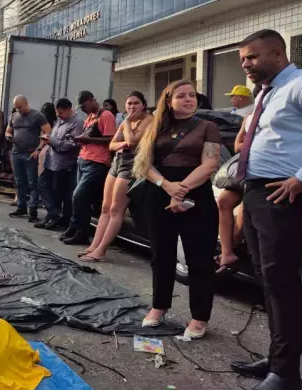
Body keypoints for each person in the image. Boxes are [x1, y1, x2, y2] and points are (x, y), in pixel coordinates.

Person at [229, 29, 302, 390]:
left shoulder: (298, 85)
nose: (245, 64)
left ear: (277, 52)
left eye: (252, 57)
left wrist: (299, 179)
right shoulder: (266, 93)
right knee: (266, 279)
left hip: (283, 195)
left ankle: (287, 375)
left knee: (282, 283)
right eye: (243, 59)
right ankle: (278, 358)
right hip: (256, 192)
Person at [133, 80, 220, 340]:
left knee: (200, 258)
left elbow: (210, 163)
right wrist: (166, 186)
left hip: (197, 193)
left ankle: (199, 317)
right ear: (168, 100)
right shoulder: (156, 126)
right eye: (181, 96)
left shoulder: (208, 127)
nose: (188, 99)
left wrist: (180, 189)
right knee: (162, 253)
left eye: (192, 95)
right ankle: (159, 306)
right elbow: (144, 164)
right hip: (159, 191)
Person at [78, 91, 152, 262]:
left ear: (143, 105)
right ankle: (93, 246)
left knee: (116, 209)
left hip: (132, 166)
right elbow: (112, 145)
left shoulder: (148, 121)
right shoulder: (127, 122)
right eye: (129, 104)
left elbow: (133, 141)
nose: (132, 107)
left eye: (136, 103)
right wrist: (124, 142)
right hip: (117, 162)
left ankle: (101, 251)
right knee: (105, 207)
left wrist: (126, 125)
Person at [61, 91, 117, 245]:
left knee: (79, 197)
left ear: (92, 100)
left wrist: (86, 139)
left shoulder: (106, 115)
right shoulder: (90, 118)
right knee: (80, 199)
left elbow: (110, 139)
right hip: (84, 159)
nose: (84, 109)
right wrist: (79, 140)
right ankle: (77, 228)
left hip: (97, 162)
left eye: (84, 105)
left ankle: (81, 232)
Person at [36, 98, 82, 231]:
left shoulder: (77, 123)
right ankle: (52, 214)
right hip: (51, 161)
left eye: (61, 112)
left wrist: (52, 141)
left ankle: (57, 218)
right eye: (57, 112)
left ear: (69, 110)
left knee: (59, 193)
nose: (58, 115)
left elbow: (71, 145)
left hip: (64, 164)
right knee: (42, 184)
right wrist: (48, 139)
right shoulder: (59, 122)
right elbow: (54, 136)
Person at [6, 96, 51, 222]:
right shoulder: (14, 116)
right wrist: (8, 136)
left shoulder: (37, 116)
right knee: (19, 181)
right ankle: (21, 207)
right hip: (16, 152)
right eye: (16, 107)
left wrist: (38, 149)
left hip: (29, 154)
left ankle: (32, 211)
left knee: (32, 183)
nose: (18, 109)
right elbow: (8, 131)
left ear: (26, 104)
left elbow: (47, 132)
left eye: (20, 107)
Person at [215, 114, 250, 275]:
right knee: (224, 201)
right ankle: (227, 252)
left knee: (246, 203)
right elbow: (237, 147)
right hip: (249, 169)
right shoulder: (251, 117)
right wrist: (244, 126)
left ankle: (231, 249)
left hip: (270, 171)